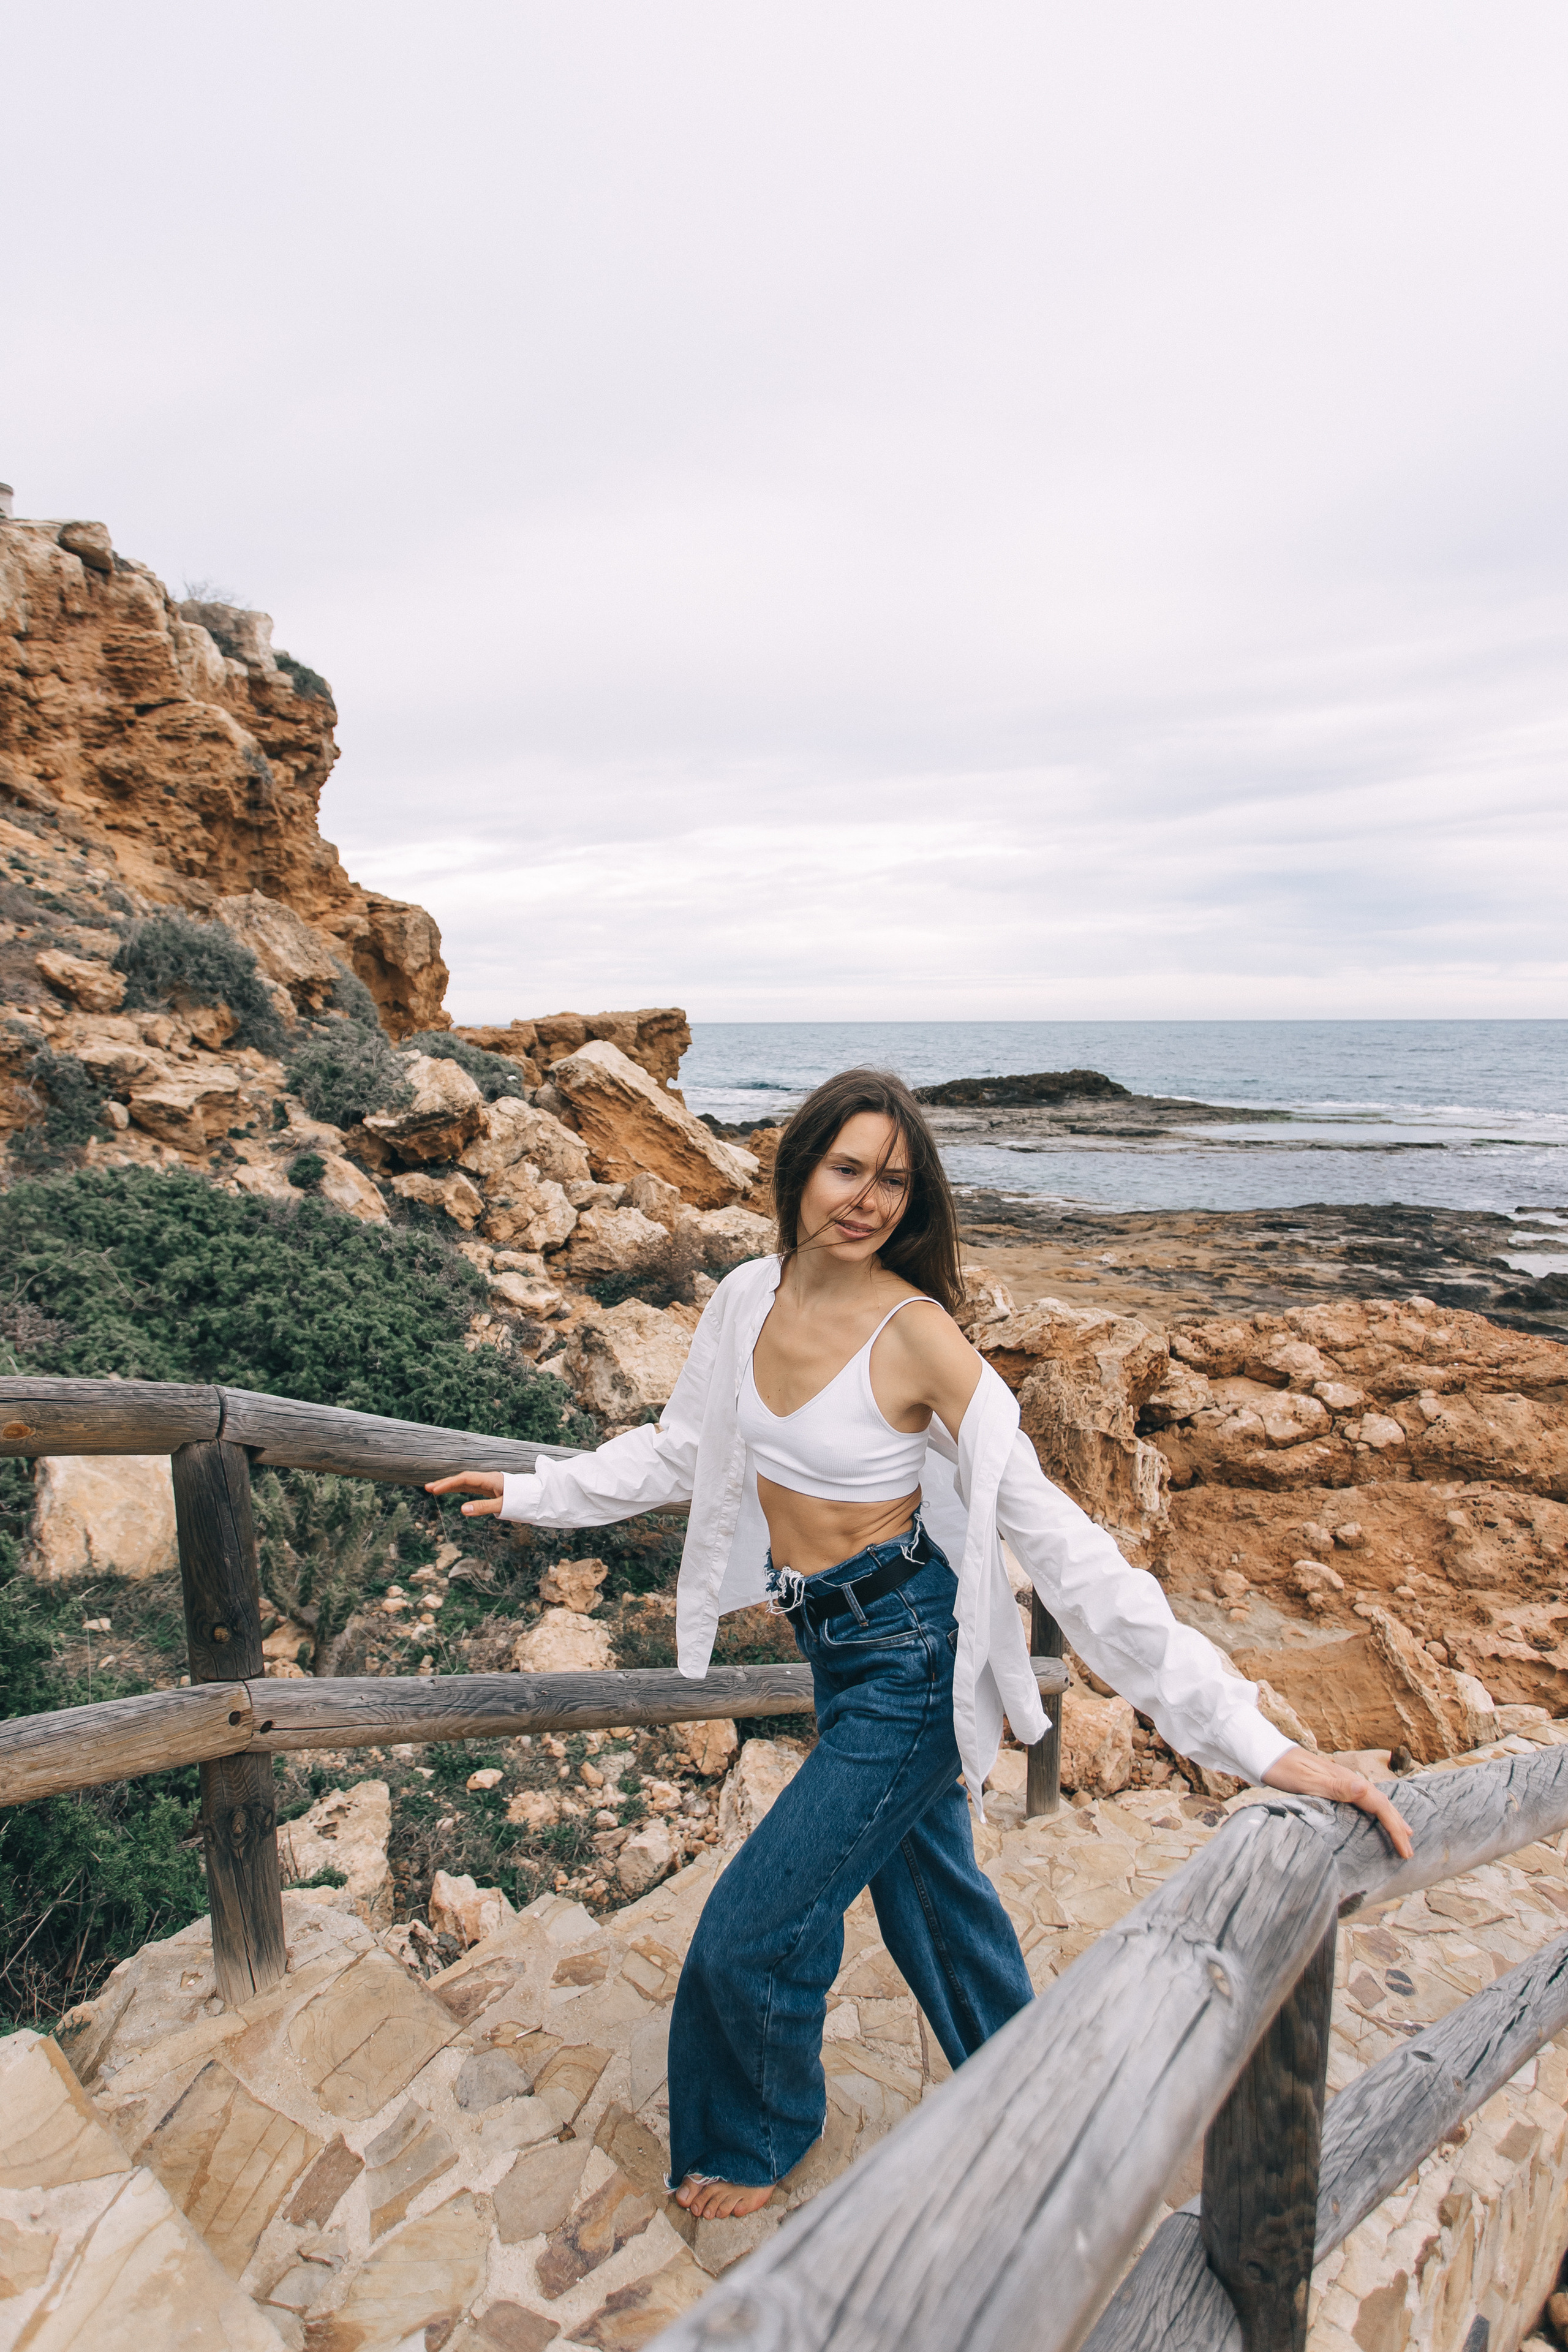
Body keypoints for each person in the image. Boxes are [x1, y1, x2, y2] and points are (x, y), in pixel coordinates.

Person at [429, 1066, 1414, 2223]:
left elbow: (1071, 1548)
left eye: (894, 1179)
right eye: (847, 1168)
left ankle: (758, 2136)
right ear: (796, 1169)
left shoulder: (921, 1337)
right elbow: (680, 1449)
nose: (869, 1199)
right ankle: (1053, 2110)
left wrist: (1251, 1738)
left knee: (752, 1931)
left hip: (907, 1657)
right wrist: (540, 1490)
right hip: (831, 1645)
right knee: (936, 1904)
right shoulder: (746, 1296)